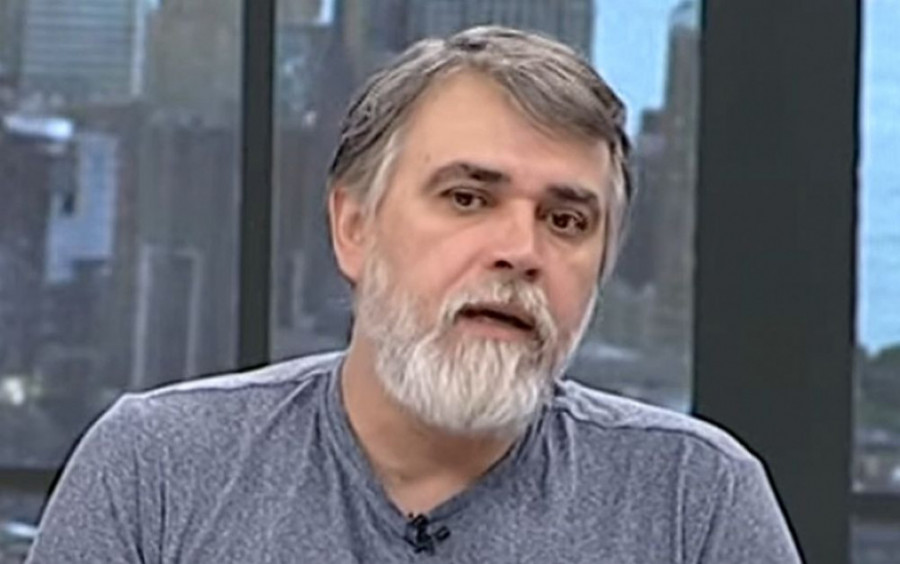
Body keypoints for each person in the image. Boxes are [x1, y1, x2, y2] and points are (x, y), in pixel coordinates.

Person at [26, 26, 802, 563]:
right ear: (354, 227)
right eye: (467, 198)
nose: (520, 250)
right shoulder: (157, 471)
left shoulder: (695, 501)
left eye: (566, 220)